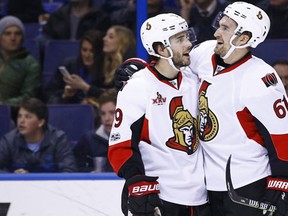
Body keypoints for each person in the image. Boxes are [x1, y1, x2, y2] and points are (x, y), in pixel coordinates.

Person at [114, 2, 288, 216]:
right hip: (208, 189)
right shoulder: (205, 54)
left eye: (225, 28)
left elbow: (282, 135)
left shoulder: (261, 79)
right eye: (219, 24)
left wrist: (281, 182)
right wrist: (137, 68)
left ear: (243, 38)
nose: (216, 32)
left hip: (248, 184)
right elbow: (168, 63)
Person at [108, 13, 210, 216]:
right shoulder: (138, 86)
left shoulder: (194, 79)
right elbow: (120, 146)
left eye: (187, 36)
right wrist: (136, 182)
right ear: (161, 49)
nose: (188, 44)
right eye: (180, 39)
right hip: (162, 197)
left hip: (202, 198)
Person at [0, 98, 77, 173]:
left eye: (28, 117)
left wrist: (34, 179)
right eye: (19, 116)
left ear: (40, 122)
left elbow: (69, 170)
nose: (21, 121)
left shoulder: (57, 139)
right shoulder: (9, 140)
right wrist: (13, 177)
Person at [44, 30, 107, 104]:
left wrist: (85, 87)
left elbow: (109, 97)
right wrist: (64, 94)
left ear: (99, 51)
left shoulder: (106, 70)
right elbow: (49, 93)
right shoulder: (68, 65)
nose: (87, 55)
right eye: (84, 50)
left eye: (92, 51)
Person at [0, 16, 42, 106]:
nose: (13, 38)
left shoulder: (30, 64)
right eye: (7, 33)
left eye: (18, 34)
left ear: (22, 38)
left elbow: (28, 97)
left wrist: (3, 105)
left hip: (9, 114)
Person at [73, 90, 116, 172]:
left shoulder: (134, 139)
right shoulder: (88, 140)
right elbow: (76, 168)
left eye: (112, 113)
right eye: (103, 114)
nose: (107, 118)